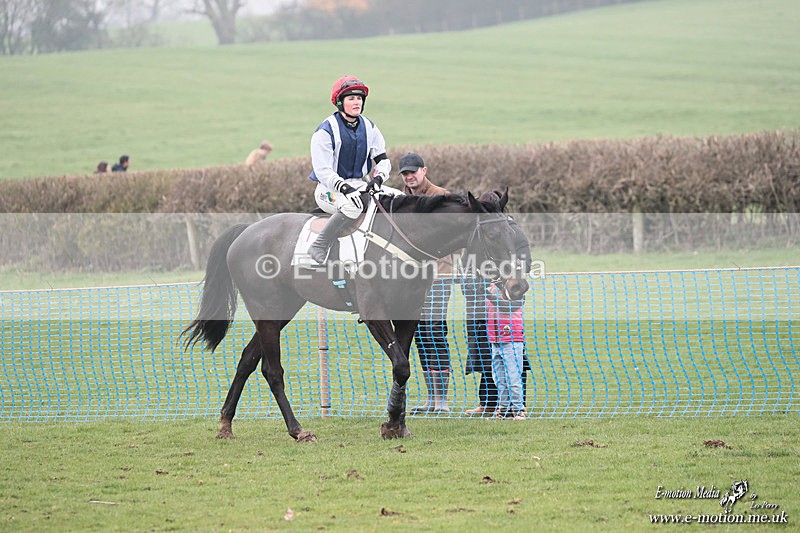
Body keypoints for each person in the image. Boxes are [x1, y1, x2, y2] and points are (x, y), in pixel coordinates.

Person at [307, 76, 391, 264]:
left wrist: (378, 179)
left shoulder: (370, 127)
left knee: (396, 198)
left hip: (360, 185)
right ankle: (319, 245)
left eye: (359, 98)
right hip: (329, 189)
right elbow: (322, 170)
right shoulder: (325, 131)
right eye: (351, 98)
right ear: (340, 102)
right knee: (353, 206)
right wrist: (345, 188)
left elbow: (383, 160)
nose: (357, 102)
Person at [463, 197, 532, 416]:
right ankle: (488, 402)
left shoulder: (512, 231)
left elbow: (524, 261)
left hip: (505, 302)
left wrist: (501, 281)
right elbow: (467, 262)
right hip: (478, 300)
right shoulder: (478, 231)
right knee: (485, 353)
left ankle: (518, 404)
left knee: (512, 353)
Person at [399, 152, 455, 414]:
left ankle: (442, 400)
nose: (409, 176)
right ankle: (430, 399)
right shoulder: (402, 200)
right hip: (412, 279)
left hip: (438, 276)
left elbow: (445, 238)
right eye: (405, 173)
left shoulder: (440, 197)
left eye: (413, 171)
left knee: (434, 333)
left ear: (424, 170)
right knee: (419, 336)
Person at [486, 277, 527, 420]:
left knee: (513, 377)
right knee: (499, 378)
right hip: (495, 340)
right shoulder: (492, 288)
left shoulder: (517, 289)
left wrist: (487, 294)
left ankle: (518, 409)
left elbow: (505, 306)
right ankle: (503, 410)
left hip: (511, 340)